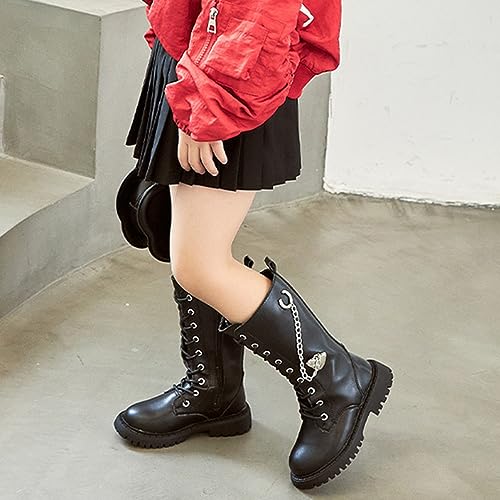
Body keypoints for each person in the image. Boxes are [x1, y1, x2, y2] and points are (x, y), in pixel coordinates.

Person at [113, 0, 393, 490]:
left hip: (235, 62)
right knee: (183, 233)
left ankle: (338, 379)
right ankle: (215, 392)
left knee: (199, 265)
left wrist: (211, 97)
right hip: (204, 49)